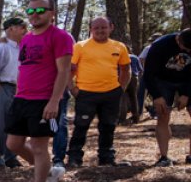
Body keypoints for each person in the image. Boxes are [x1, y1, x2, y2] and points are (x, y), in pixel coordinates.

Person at [5, 0, 73, 182]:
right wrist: (18, 93)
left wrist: (54, 101)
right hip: (22, 99)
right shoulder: (26, 39)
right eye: (31, 11)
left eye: (41, 10)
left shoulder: (60, 37)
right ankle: (48, 172)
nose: (35, 14)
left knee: (38, 146)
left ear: (52, 13)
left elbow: (64, 71)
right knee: (13, 144)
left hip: (44, 99)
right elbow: (24, 68)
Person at [67, 17, 131, 167]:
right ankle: (74, 158)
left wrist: (121, 88)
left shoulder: (119, 46)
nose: (100, 30)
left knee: (108, 126)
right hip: (86, 94)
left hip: (111, 94)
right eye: (96, 28)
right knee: (81, 126)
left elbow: (125, 69)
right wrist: (72, 88)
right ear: (91, 29)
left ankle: (106, 157)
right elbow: (70, 70)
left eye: (103, 27)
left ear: (111, 28)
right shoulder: (80, 46)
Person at [140, 29, 191, 166]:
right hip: (163, 81)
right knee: (163, 115)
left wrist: (186, 94)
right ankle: (164, 157)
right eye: (185, 48)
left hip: (187, 80)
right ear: (178, 40)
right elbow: (148, 73)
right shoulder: (159, 46)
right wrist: (157, 96)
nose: (187, 51)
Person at [0, 17, 26, 169]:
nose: (25, 30)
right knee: (0, 125)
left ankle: (11, 157)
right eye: (21, 27)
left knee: (15, 125)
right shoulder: (0, 48)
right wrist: (1, 92)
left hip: (20, 89)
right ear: (11, 29)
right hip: (4, 87)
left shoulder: (22, 47)